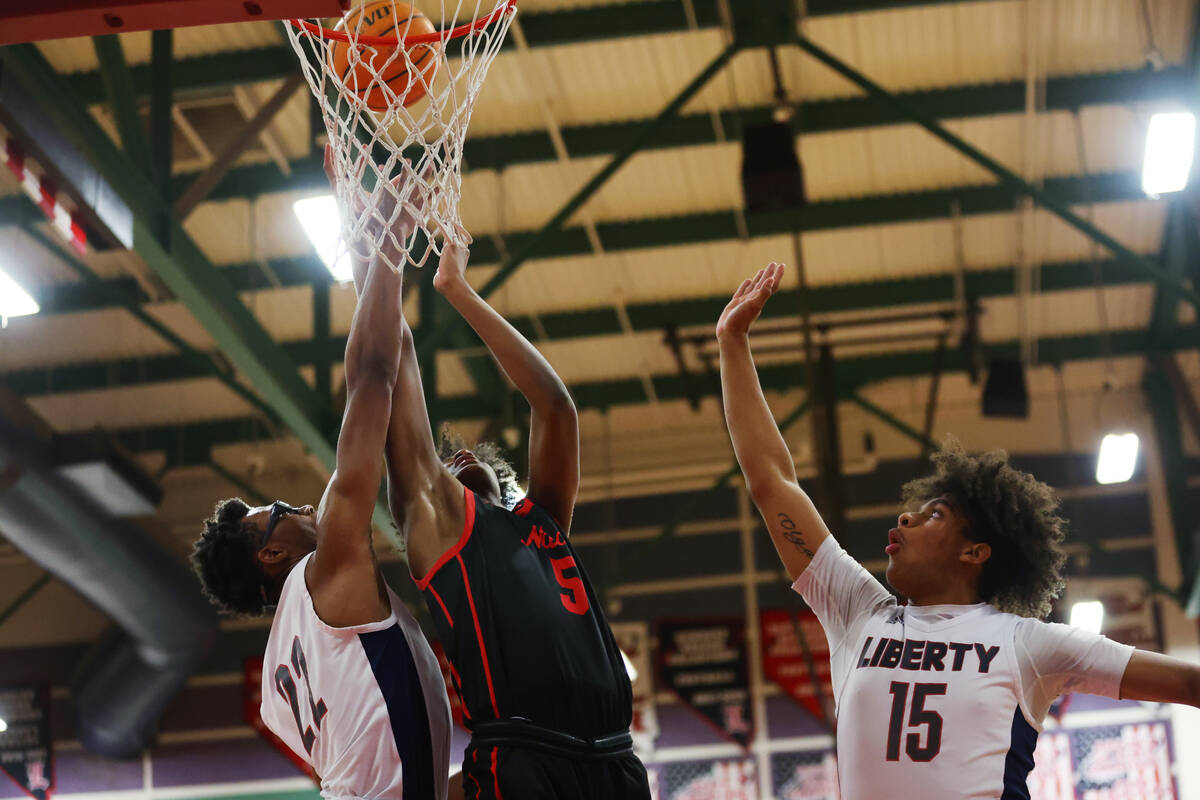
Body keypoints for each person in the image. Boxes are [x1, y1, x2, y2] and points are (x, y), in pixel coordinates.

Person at [716, 262, 1200, 799]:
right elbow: (772, 481)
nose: (906, 518)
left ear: (975, 552)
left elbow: (1188, 682)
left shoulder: (1028, 644)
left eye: (934, 515)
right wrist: (732, 344)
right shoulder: (859, 612)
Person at [190, 165, 454, 800]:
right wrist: (386, 235)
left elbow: (385, 368)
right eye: (277, 509)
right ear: (272, 554)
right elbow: (371, 379)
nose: (301, 503)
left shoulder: (288, 675)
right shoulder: (326, 570)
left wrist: (371, 236)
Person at [379, 231, 650, 798]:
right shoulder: (442, 535)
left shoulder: (542, 520)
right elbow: (394, 357)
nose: (460, 456)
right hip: (525, 756)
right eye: (448, 463)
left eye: (469, 454)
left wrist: (459, 291)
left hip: (614, 758)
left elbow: (555, 406)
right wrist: (379, 256)